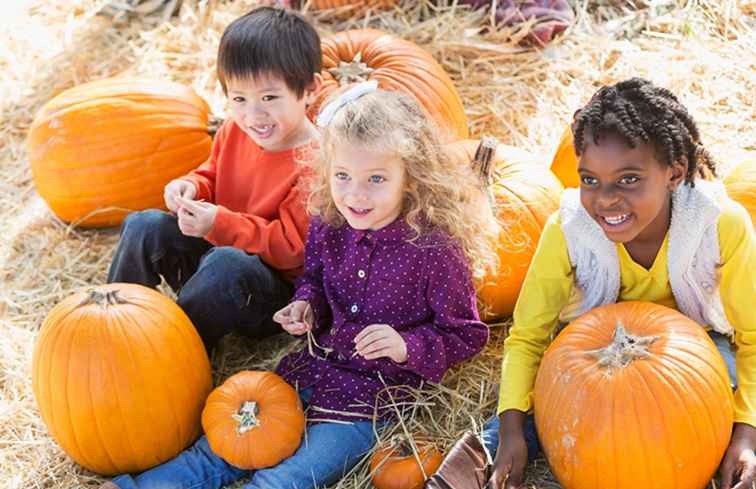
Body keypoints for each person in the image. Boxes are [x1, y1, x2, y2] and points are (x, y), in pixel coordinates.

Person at [99, 83, 499, 489]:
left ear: (411, 179)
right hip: (312, 368)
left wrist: (405, 345)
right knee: (224, 449)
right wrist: (305, 305)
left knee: (285, 480)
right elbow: (313, 280)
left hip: (372, 401)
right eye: (342, 176)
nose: (355, 194)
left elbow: (465, 335)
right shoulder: (330, 222)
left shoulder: (434, 250)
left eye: (376, 179)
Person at [428, 77, 756, 489]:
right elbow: (528, 336)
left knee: (716, 401)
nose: (604, 200)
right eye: (590, 180)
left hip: (698, 348)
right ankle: (486, 456)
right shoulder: (568, 230)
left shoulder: (719, 223)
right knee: (550, 403)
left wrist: (746, 432)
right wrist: (512, 428)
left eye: (629, 180)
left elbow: (753, 335)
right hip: (596, 347)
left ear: (675, 173)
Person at [106, 6, 321, 353]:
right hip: (215, 254)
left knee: (227, 263)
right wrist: (191, 186)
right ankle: (114, 320)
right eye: (239, 99)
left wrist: (219, 222)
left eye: (269, 98)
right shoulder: (235, 129)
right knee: (144, 224)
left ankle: (171, 352)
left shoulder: (314, 163)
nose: (254, 115)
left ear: (309, 90)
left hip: (264, 291)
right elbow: (213, 174)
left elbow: (289, 249)